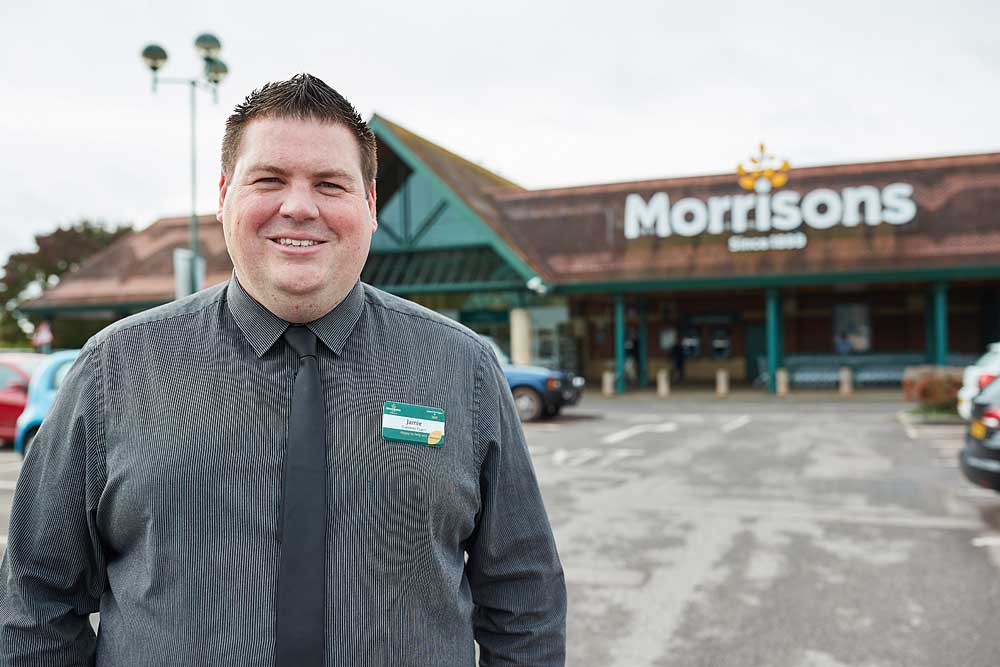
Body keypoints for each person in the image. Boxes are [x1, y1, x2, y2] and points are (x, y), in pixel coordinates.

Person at [0, 74, 566, 666]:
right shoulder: (115, 369)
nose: (298, 207)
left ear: (369, 205)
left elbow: (523, 600)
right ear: (224, 195)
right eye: (269, 180)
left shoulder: (463, 367)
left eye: (330, 184)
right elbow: (37, 598)